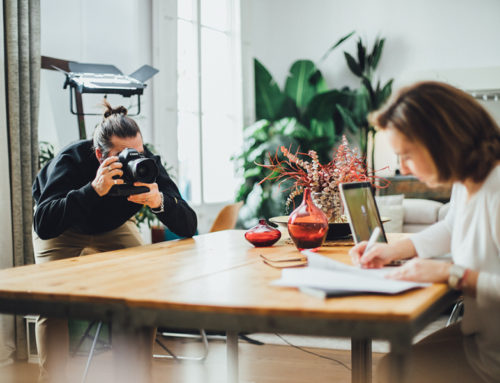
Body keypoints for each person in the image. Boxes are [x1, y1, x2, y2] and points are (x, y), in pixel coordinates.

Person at [32, 101, 197, 383]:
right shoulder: (72, 160)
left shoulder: (148, 166)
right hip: (64, 225)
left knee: (141, 295)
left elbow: (189, 224)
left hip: (114, 227)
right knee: (51, 300)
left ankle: (135, 377)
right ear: (100, 155)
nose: (134, 160)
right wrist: (93, 190)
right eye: (123, 155)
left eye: (138, 152)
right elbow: (44, 224)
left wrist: (159, 202)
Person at [349, 81, 500, 383]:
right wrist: (394, 250)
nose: (402, 168)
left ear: (442, 140)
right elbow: (451, 226)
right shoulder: (467, 181)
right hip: (482, 339)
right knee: (391, 368)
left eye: (406, 154)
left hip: (492, 361)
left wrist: (454, 274)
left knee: (393, 372)